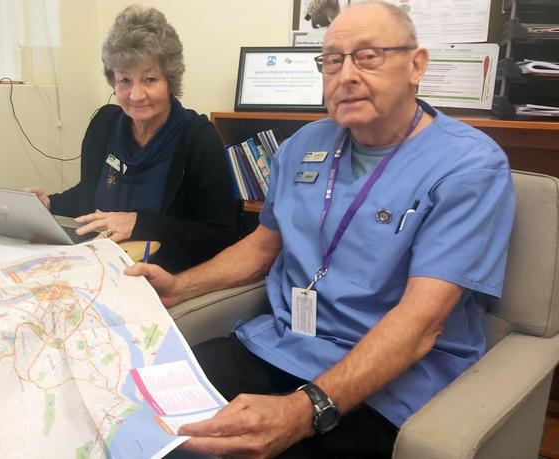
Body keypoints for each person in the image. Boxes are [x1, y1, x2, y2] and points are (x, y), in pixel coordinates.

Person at [127, 1, 516, 458]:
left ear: (416, 65)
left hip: (385, 384)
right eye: (332, 61)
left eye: (368, 56)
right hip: (279, 345)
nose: (346, 75)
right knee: (139, 418)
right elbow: (261, 246)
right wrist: (180, 286)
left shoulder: (469, 166)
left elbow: (421, 322)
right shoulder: (303, 146)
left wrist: (302, 410)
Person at [27, 6, 237, 273]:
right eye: (125, 80)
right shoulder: (104, 125)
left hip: (159, 275)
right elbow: (92, 194)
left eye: (149, 79)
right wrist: (49, 204)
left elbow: (220, 237)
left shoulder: (197, 138)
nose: (136, 95)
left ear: (170, 80)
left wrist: (140, 224)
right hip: (96, 264)